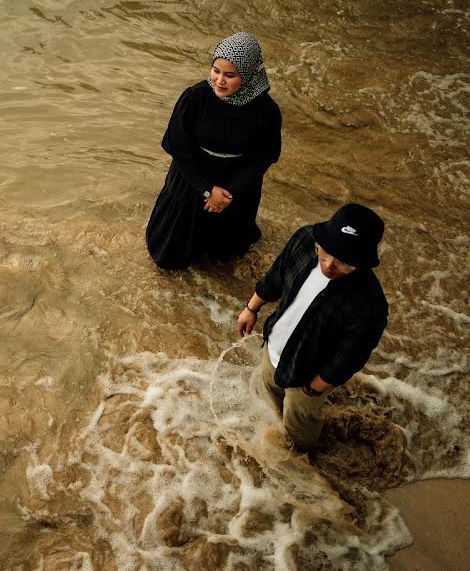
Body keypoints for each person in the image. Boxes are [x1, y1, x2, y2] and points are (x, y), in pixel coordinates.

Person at [236, 204, 388, 451]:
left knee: (299, 431)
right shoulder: (306, 240)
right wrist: (251, 308)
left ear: (361, 264)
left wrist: (313, 389)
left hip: (308, 375)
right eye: (325, 254)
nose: (328, 266)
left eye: (343, 264)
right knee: (270, 398)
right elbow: (276, 275)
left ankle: (299, 458)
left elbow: (349, 358)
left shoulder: (369, 305)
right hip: (273, 347)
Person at [146, 32, 282, 270]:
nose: (219, 81)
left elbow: (262, 158)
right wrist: (207, 190)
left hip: (236, 184)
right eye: (215, 71)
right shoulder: (195, 97)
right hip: (191, 178)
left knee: (223, 261)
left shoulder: (266, 111)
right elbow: (179, 149)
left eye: (230, 75)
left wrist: (228, 193)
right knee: (167, 259)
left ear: (248, 76)